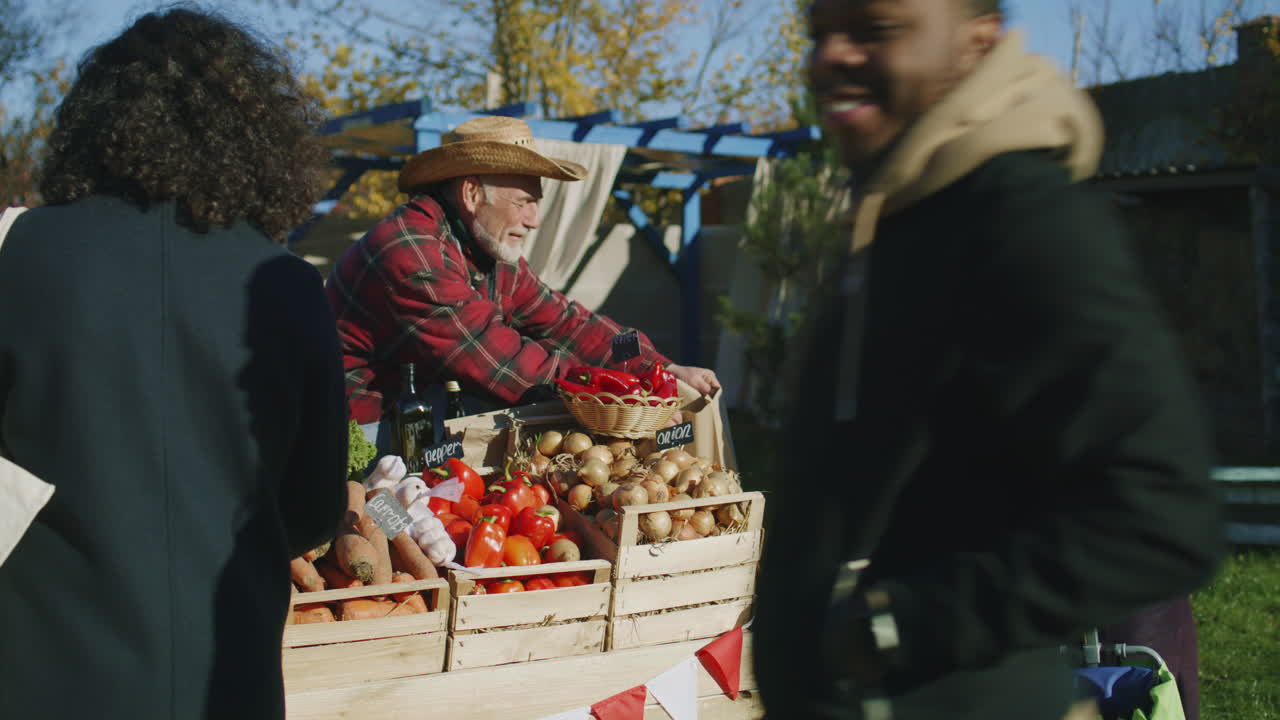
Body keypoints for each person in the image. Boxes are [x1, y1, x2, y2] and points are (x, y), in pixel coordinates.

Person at [752, 1, 1225, 719]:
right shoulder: (894, 222)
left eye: (875, 29)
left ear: (978, 40)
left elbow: (1164, 512)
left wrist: (898, 625)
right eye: (820, 31)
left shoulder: (1025, 223)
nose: (831, 57)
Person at [0, 8, 347, 719]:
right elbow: (312, 509)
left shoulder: (18, 251)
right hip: (227, 673)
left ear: (94, 129)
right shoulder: (287, 285)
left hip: (42, 671)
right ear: (257, 141)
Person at [325, 115, 719, 429]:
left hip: (419, 411)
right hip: (357, 427)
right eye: (523, 202)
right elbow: (503, 363)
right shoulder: (411, 253)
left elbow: (572, 324)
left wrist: (659, 367)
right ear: (471, 193)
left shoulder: (490, 254)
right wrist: (625, 398)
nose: (534, 220)